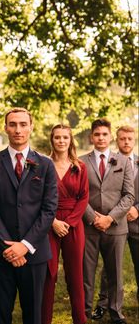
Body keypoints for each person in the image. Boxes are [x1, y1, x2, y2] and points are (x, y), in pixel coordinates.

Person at [0, 107, 58, 324]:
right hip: (0, 253)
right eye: (13, 124)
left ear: (31, 127)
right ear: (5, 128)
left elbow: (49, 209)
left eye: (23, 124)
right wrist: (8, 248)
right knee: (2, 314)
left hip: (34, 253)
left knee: (33, 314)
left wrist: (24, 245)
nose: (18, 129)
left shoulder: (45, 164)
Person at [81, 118, 134, 324]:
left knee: (115, 273)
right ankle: (84, 312)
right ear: (91, 137)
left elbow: (129, 195)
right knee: (87, 273)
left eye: (104, 134)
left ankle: (115, 312)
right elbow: (80, 195)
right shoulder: (81, 162)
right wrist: (94, 218)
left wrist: (110, 218)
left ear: (110, 136)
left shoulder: (123, 162)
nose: (101, 138)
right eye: (97, 134)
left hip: (116, 227)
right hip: (89, 227)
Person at [42, 124, 89, 324]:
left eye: (65, 138)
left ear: (70, 141)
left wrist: (68, 223)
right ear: (52, 140)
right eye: (57, 137)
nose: (61, 141)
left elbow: (84, 197)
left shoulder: (79, 166)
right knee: (48, 275)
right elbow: (37, 197)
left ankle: (80, 319)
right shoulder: (43, 165)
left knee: (75, 275)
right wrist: (53, 222)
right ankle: (44, 319)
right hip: (48, 223)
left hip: (73, 224)